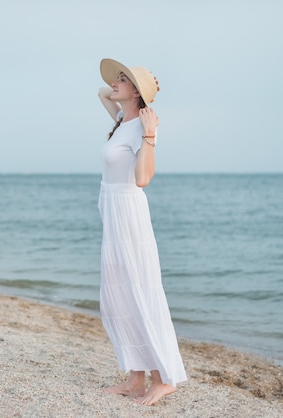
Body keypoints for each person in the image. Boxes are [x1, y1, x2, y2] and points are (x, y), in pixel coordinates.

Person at [97, 58, 187, 406]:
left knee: (140, 291)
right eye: (119, 79)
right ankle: (135, 378)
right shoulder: (122, 120)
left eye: (123, 81)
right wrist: (139, 87)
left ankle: (164, 378)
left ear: (135, 93)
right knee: (118, 295)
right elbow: (100, 92)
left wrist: (149, 132)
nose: (114, 84)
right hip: (113, 213)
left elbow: (142, 179)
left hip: (130, 215)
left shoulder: (142, 128)